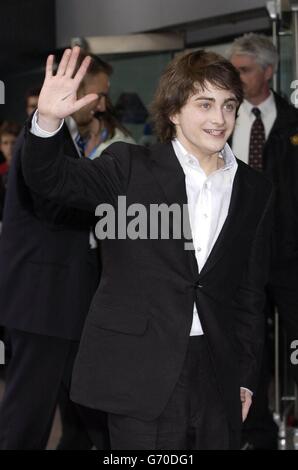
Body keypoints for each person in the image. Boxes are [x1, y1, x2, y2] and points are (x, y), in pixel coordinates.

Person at [21, 46, 273, 450]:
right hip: (141, 369)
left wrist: (245, 376)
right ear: (174, 112)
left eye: (228, 105)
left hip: (217, 371)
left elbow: (249, 293)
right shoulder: (129, 166)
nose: (219, 118)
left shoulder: (255, 189)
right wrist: (48, 120)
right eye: (205, 104)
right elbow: (52, 180)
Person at [0, 51, 112, 450]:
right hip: (43, 302)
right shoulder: (44, 138)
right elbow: (55, 203)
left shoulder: (63, 139)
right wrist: (114, 201)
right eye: (99, 94)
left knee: (88, 408)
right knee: (27, 417)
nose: (103, 104)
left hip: (61, 301)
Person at [229, 33, 298, 449]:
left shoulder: (293, 123)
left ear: (269, 72)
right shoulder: (222, 118)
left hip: (289, 257)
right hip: (239, 254)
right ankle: (255, 430)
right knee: (245, 341)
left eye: (244, 70)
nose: (236, 78)